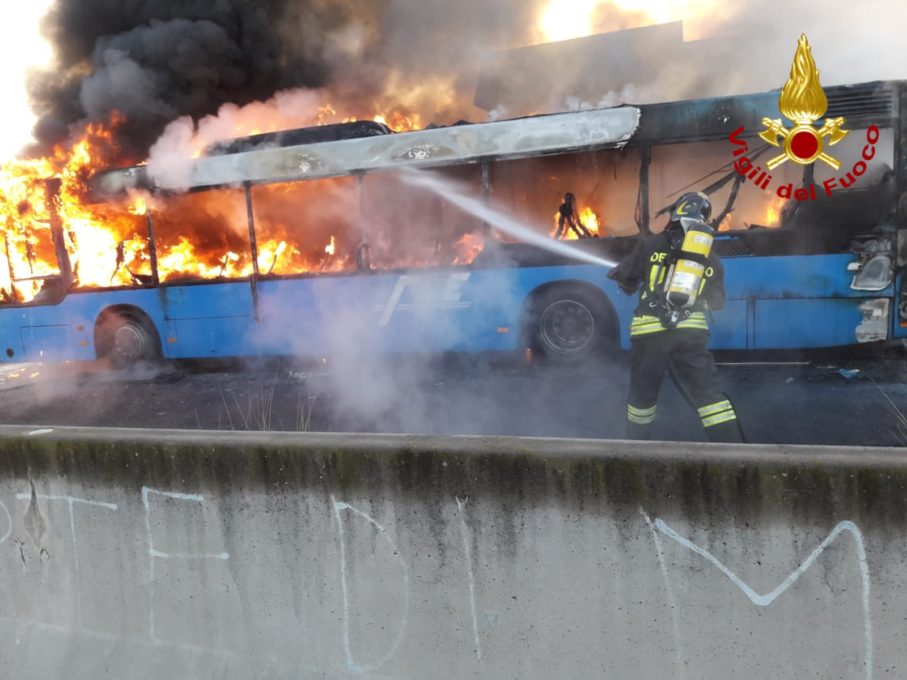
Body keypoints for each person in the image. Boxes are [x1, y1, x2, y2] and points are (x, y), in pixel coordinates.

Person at [607, 191, 743, 443]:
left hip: (648, 335)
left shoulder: (649, 245)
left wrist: (619, 275)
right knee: (709, 399)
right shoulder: (709, 258)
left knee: (642, 400)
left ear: (677, 212)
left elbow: (627, 279)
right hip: (689, 336)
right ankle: (734, 453)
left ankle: (634, 452)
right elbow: (718, 302)